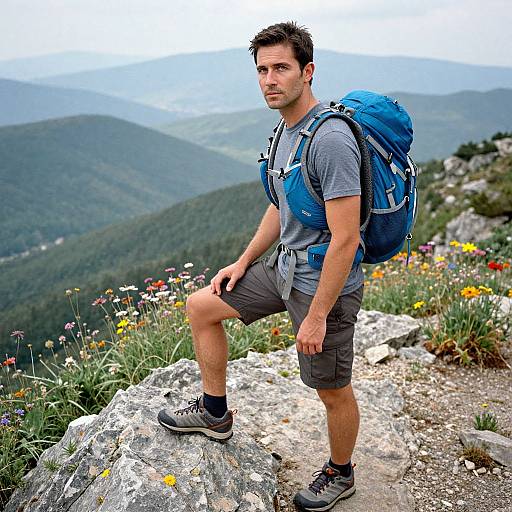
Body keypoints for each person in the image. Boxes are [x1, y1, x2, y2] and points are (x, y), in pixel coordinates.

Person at [158, 21, 364, 512]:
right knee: (202, 306)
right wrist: (244, 261)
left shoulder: (330, 140)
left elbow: (346, 237)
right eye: (262, 70)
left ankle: (341, 473)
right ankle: (214, 413)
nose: (270, 79)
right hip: (282, 267)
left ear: (307, 71)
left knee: (331, 389)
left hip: (321, 284)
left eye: (281, 68)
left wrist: (316, 316)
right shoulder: (287, 132)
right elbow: (281, 202)